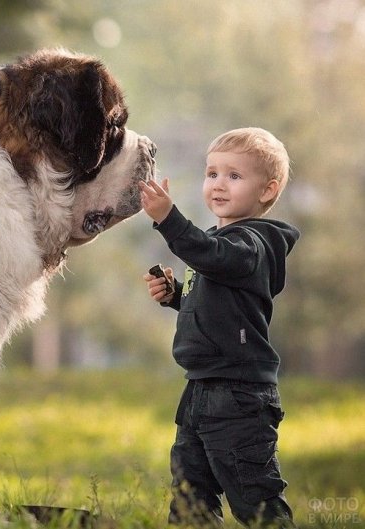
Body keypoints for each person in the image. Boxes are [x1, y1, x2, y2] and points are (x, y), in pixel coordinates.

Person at [139, 127, 299, 527]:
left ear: (267, 190)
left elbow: (215, 257)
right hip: (200, 389)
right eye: (212, 174)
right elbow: (218, 300)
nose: (218, 185)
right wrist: (176, 295)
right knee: (190, 498)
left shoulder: (255, 243)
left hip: (239, 396)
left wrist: (168, 220)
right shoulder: (221, 243)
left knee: (255, 499)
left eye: (234, 175)